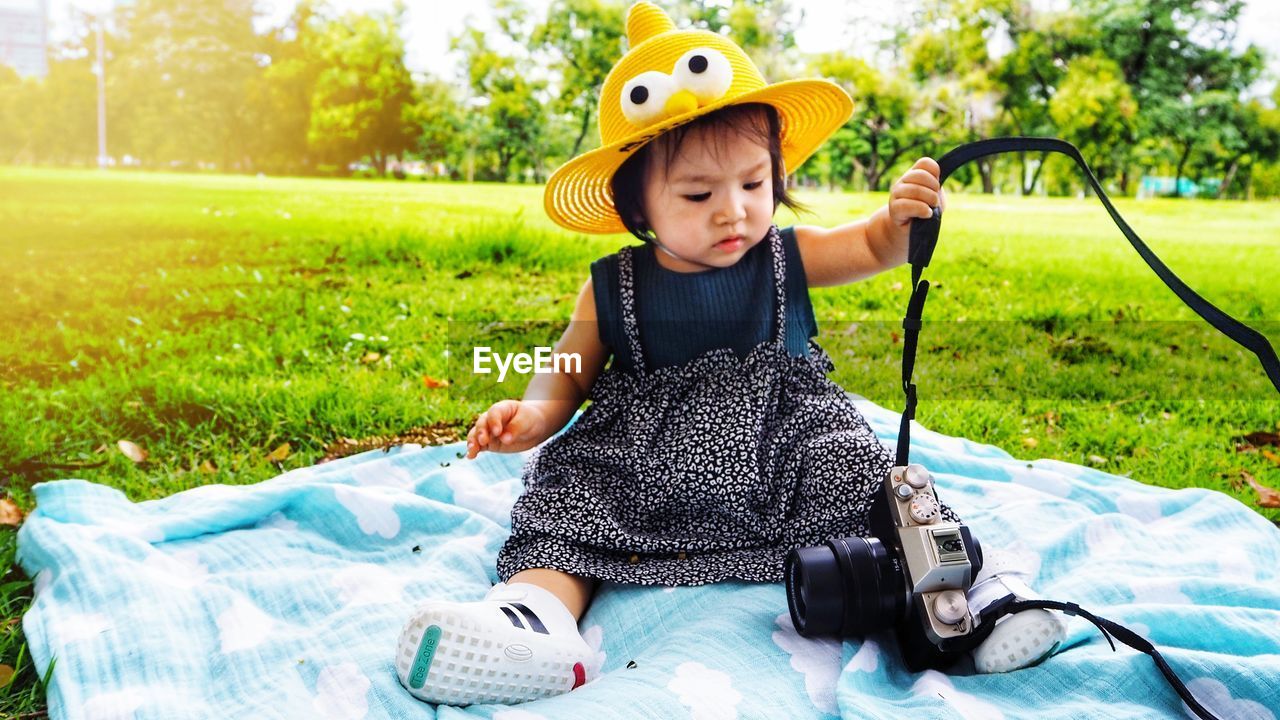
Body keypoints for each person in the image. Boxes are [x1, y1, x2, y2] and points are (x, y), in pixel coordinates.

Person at [395, 1, 1064, 706]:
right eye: (697, 193)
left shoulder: (786, 256)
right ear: (638, 208)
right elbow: (568, 368)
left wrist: (900, 221)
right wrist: (533, 416)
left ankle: (970, 598)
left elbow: (872, 245)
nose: (733, 211)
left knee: (879, 485)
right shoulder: (613, 285)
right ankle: (532, 622)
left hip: (785, 439)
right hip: (641, 454)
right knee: (566, 510)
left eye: (753, 184)